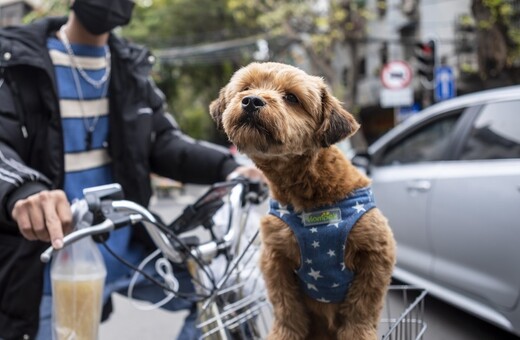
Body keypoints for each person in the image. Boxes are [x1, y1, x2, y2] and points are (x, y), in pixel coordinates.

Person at [0, 0, 264, 339]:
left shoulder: (129, 67)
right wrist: (25, 189)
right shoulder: (17, 62)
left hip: (131, 253)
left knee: (226, 299)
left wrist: (230, 167)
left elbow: (164, 142)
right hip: (48, 268)